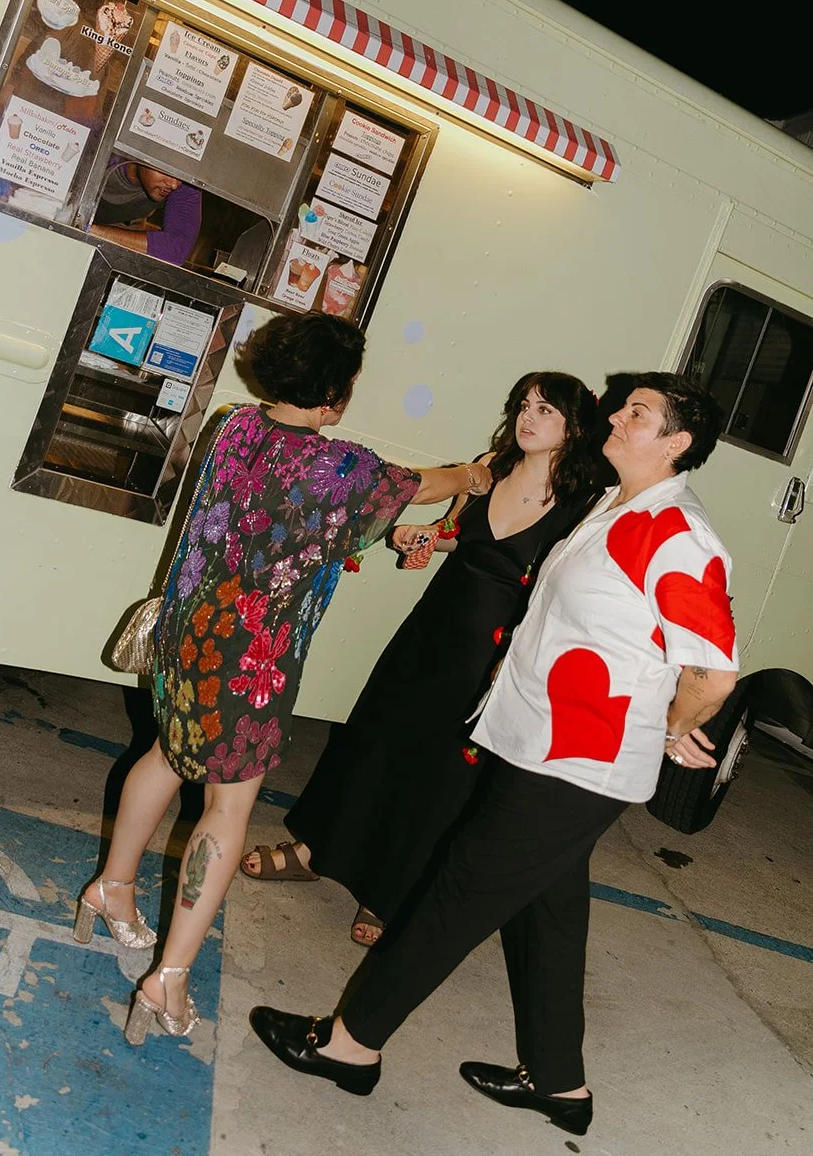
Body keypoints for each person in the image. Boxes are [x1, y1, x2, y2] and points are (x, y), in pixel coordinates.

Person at [249, 373, 739, 1135]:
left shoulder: (674, 532)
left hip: (574, 764)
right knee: (549, 917)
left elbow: (712, 670)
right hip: (542, 740)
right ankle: (557, 1084)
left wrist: (671, 726)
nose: (614, 415)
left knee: (454, 897)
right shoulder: (619, 503)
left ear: (675, 443)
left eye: (636, 413)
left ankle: (350, 1045)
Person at [74, 311, 490, 1044]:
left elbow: (285, 517)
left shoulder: (235, 425)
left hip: (185, 634)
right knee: (226, 814)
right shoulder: (342, 468)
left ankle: (111, 887)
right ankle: (167, 981)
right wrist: (473, 474)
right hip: (249, 665)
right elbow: (425, 485)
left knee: (164, 758)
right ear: (335, 391)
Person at [241, 372, 602, 947]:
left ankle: (392, 893)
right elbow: (457, 532)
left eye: (546, 411)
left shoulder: (585, 503)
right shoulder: (490, 466)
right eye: (524, 406)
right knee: (375, 734)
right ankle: (313, 849)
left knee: (443, 771)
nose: (528, 418)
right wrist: (425, 538)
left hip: (494, 651)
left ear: (573, 426)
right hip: (434, 628)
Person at [89, 154, 202, 266]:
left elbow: (177, 250)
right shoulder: (104, 153)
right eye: (167, 169)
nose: (174, 185)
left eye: (181, 174)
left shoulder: (183, 185)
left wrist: (90, 230)